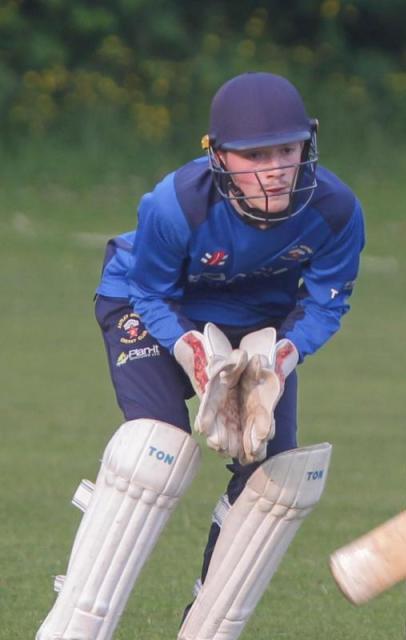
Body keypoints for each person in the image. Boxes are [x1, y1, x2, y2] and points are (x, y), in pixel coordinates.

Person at [37, 72, 364, 640]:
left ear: (308, 142)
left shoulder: (335, 210)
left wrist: (281, 359)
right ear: (217, 155)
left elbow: (326, 302)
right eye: (255, 154)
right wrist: (194, 352)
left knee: (278, 480)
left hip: (258, 323)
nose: (276, 168)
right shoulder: (175, 205)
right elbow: (150, 292)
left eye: (286, 149)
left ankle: (208, 630)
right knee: (153, 451)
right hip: (150, 301)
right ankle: (75, 627)